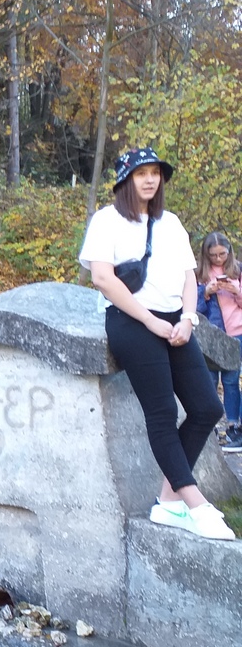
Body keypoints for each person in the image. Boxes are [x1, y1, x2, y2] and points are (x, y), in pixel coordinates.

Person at [80, 147, 234, 540]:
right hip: (131, 321)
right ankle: (196, 504)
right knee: (162, 411)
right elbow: (102, 278)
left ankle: (168, 501)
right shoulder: (107, 220)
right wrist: (149, 321)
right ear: (125, 179)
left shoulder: (171, 223)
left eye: (155, 173)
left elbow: (189, 277)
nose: (150, 179)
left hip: (176, 320)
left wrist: (188, 318)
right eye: (141, 173)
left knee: (207, 407)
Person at [195, 232, 242, 453]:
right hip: (211, 336)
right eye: (213, 255)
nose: (218, 259)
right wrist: (206, 292)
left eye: (222, 254)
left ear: (229, 251)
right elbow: (194, 309)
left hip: (236, 333)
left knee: (231, 380)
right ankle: (211, 426)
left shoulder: (238, 270)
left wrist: (237, 292)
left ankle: (234, 426)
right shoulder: (199, 273)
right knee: (209, 380)